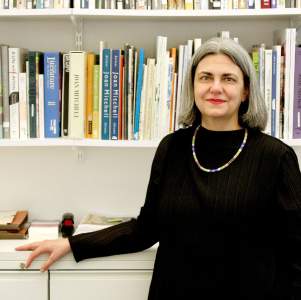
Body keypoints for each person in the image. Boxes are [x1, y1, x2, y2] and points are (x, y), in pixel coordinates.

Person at [16, 37, 301, 300]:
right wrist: (73, 244)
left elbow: (295, 254)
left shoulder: (276, 157)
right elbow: (146, 228)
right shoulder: (173, 148)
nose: (216, 87)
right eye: (205, 77)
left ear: (245, 90)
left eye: (228, 79)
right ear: (192, 87)